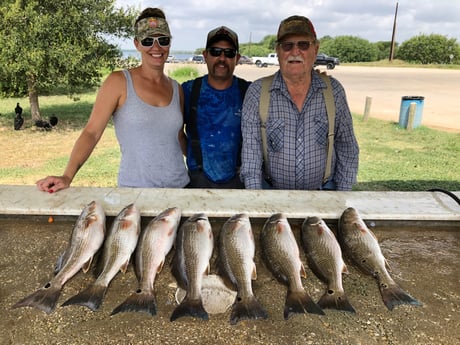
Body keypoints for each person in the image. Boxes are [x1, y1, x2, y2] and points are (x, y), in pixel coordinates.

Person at [36, 8, 189, 193]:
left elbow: (179, 137)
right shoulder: (119, 82)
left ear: (169, 44)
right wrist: (67, 176)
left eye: (162, 40)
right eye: (148, 41)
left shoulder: (176, 88)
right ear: (137, 44)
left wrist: (206, 167)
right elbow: (92, 132)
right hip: (134, 193)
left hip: (180, 189)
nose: (156, 48)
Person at [240, 15, 359, 191]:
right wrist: (258, 202)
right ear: (278, 50)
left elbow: (347, 148)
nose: (295, 52)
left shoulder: (333, 91)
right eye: (287, 46)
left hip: (324, 193)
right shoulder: (257, 93)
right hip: (272, 194)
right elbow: (251, 156)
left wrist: (341, 200)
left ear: (316, 49)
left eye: (303, 45)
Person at [182, 26, 250, 188]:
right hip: (197, 180)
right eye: (215, 51)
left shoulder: (249, 92)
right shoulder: (188, 90)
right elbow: (177, 134)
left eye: (229, 53)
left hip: (239, 181)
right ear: (205, 55)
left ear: (237, 58)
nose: (221, 58)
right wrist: (196, 156)